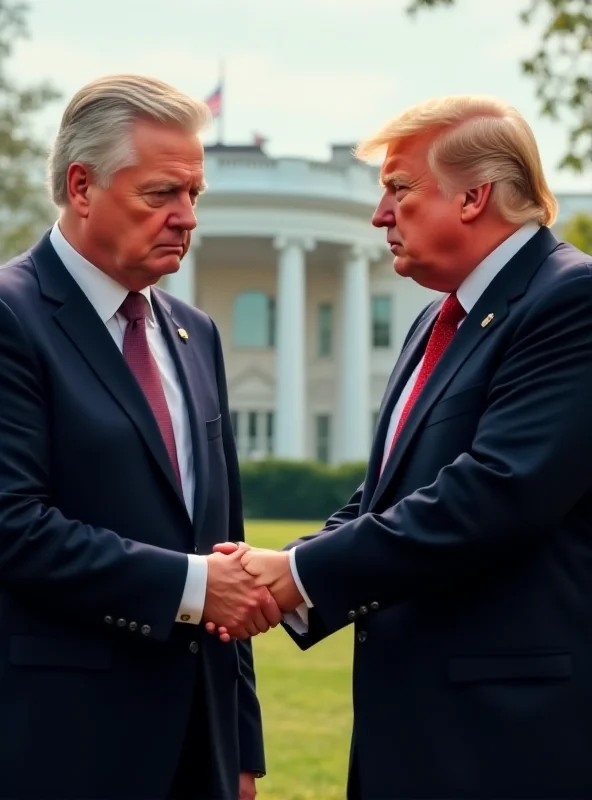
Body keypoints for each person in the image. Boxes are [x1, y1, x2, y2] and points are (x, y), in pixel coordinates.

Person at [214, 95, 592, 799]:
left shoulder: (571, 299)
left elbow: (495, 493)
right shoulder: (433, 320)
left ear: (474, 196)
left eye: (399, 190)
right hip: (417, 730)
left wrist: (295, 574)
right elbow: (387, 493)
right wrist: (281, 572)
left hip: (509, 739)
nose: (379, 215)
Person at [0, 74, 280, 800]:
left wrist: (242, 748)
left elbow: (226, 541)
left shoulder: (198, 335)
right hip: (63, 745)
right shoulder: (12, 318)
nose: (186, 217)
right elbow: (13, 526)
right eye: (162, 194)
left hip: (202, 748)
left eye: (195, 195)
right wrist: (192, 588)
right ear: (82, 186)